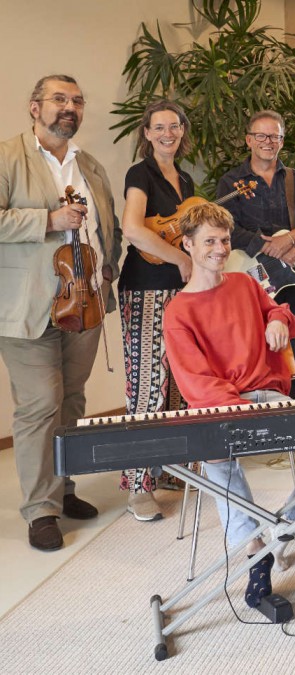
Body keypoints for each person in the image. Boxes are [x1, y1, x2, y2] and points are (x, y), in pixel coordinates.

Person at [163, 202, 295, 607]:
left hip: (269, 398)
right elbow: (196, 381)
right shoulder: (178, 311)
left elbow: (280, 310)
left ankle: (287, 527)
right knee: (214, 447)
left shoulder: (244, 283)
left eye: (225, 240)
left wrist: (276, 320)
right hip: (220, 407)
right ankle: (255, 551)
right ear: (188, 245)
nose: (219, 249)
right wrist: (236, 410)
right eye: (210, 241)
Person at [0, 74, 121, 550]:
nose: (68, 107)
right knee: (39, 406)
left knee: (72, 401)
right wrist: (47, 220)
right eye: (58, 99)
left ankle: (65, 488)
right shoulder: (8, 156)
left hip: (84, 302)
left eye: (76, 100)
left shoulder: (87, 164)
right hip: (27, 308)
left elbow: (106, 223)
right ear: (34, 107)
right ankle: (40, 510)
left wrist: (108, 270)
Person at [115, 99, 196, 523]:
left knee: (179, 384)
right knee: (147, 385)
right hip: (146, 289)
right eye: (159, 127)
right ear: (146, 133)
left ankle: (169, 471)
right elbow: (133, 229)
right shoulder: (139, 172)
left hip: (181, 293)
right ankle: (136, 486)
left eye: (175, 126)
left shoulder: (184, 178)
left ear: (182, 131)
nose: (168, 133)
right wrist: (179, 260)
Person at [218, 110, 295, 399]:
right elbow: (225, 228)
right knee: (249, 352)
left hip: (290, 281)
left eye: (274, 136)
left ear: (282, 141)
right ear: (248, 140)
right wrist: (268, 247)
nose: (268, 141)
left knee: (294, 353)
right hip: (246, 278)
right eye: (261, 136)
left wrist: (289, 239)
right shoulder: (231, 182)